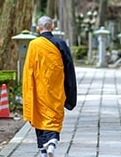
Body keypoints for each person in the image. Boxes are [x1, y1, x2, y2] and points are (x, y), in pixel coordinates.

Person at [22, 15, 77, 157]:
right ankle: (51, 143)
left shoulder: (34, 45)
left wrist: (28, 91)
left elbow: (28, 70)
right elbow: (69, 69)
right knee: (53, 117)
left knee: (39, 117)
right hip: (56, 90)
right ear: (52, 27)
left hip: (39, 90)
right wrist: (70, 93)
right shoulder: (61, 43)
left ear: (38, 29)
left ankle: (43, 149)